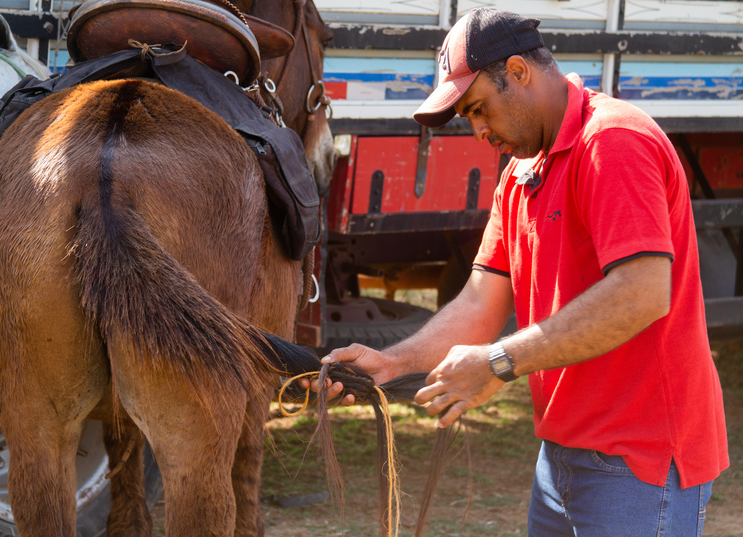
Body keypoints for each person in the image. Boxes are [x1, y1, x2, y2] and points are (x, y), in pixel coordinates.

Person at [302, 7, 729, 536]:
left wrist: (499, 361)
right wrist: (393, 363)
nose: (479, 130)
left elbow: (642, 292)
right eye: (468, 118)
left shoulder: (613, 141)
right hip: (563, 455)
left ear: (520, 72)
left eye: (480, 108)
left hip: (640, 461)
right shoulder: (522, 172)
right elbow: (481, 303)